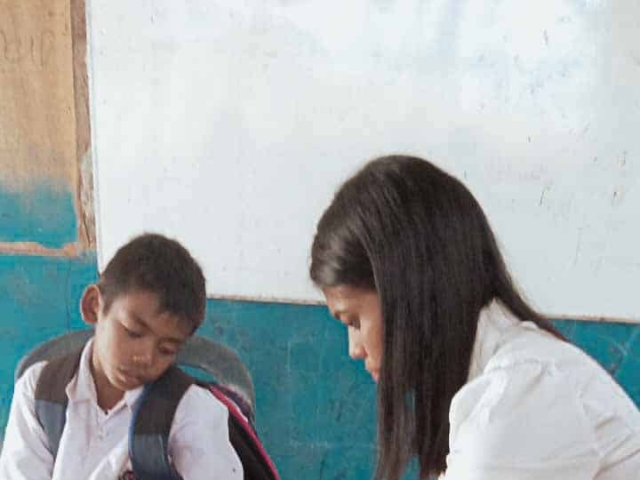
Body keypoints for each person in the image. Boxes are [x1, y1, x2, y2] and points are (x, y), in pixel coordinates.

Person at [309, 155, 640, 480]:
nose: (354, 349)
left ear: (410, 295)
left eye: (354, 322)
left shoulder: (517, 397)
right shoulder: (502, 381)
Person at [0, 233, 243, 480]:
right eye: (133, 332)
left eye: (166, 349)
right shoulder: (40, 391)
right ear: (94, 305)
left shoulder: (190, 411)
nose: (145, 357)